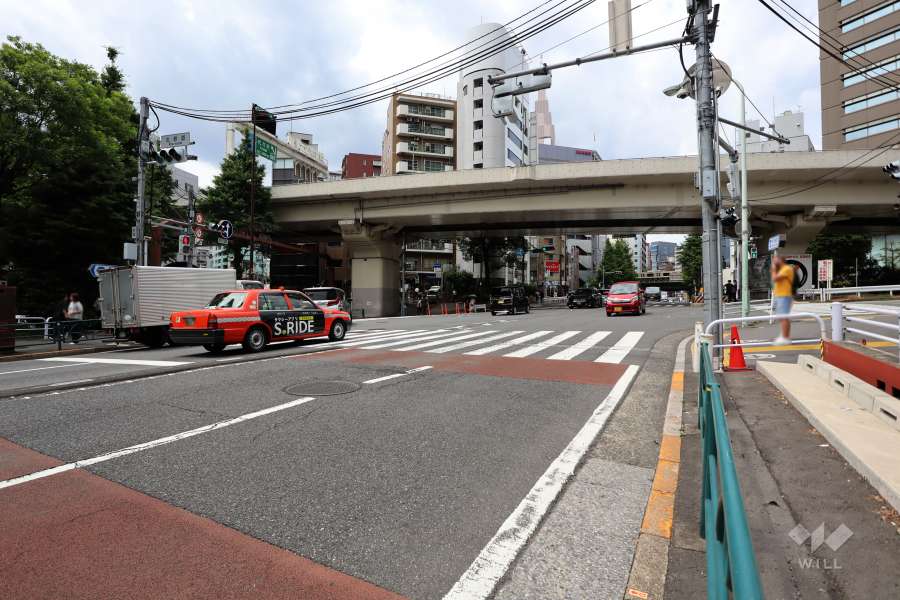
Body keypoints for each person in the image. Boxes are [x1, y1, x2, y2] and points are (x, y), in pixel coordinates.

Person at [771, 255, 795, 345]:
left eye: (775, 260)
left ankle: (785, 337)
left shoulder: (786, 269)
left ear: (781, 260)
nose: (774, 262)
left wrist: (773, 269)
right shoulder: (782, 269)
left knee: (784, 317)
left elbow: (775, 278)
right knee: (782, 317)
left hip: (784, 295)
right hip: (781, 295)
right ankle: (784, 336)